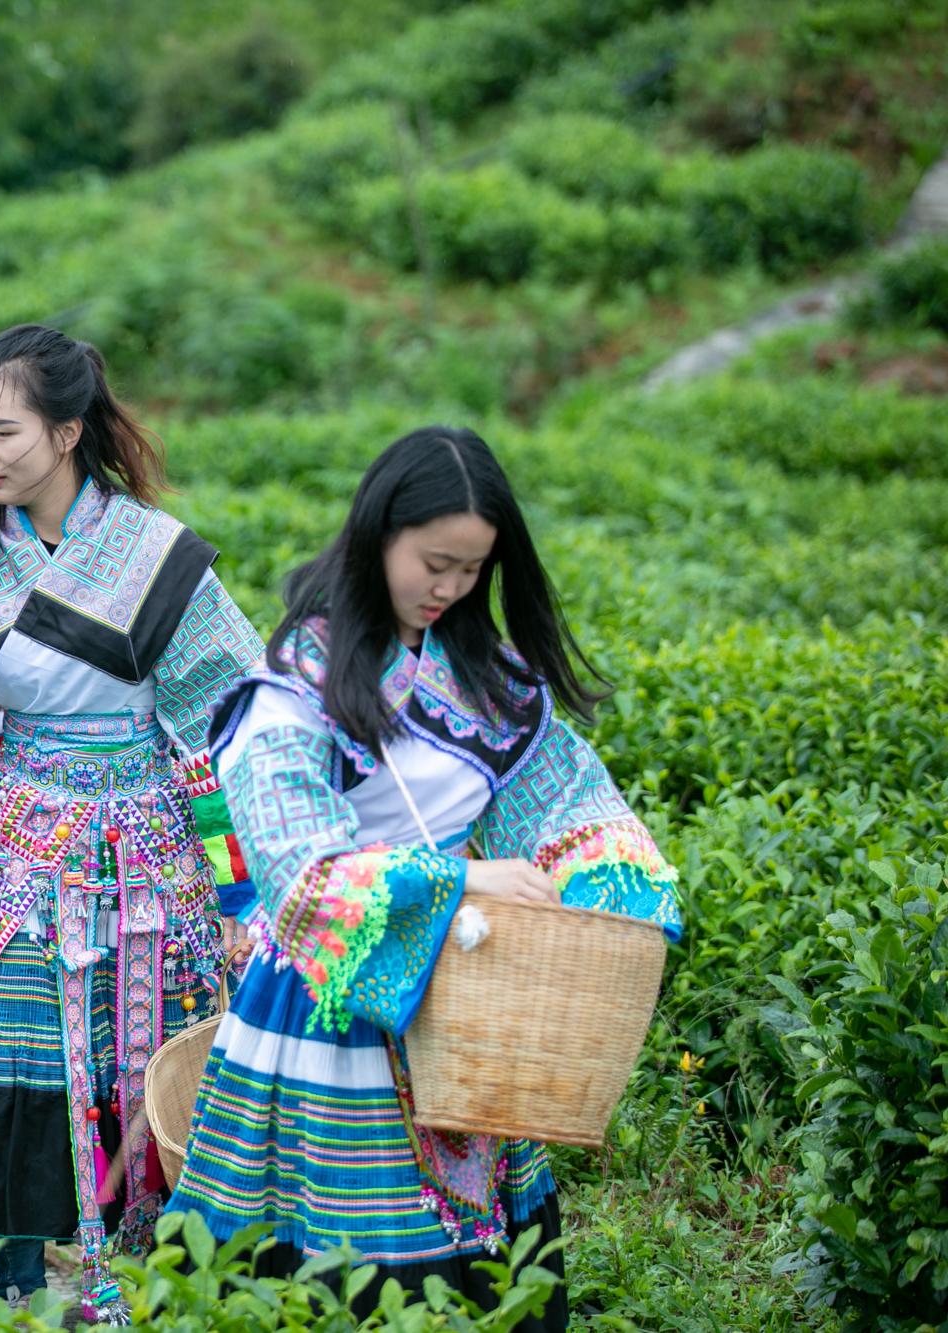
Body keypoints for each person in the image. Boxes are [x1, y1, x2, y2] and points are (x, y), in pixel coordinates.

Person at [162, 426, 683, 1328]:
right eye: (434, 561)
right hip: (328, 1002)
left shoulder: (494, 681)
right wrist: (469, 883)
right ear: (378, 535)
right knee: (342, 1270)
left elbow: (573, 809)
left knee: (487, 1272)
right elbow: (300, 876)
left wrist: (619, 901)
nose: (449, 588)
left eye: (472, 571)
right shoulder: (294, 684)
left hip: (470, 1001)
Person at [0, 325, 265, 1319]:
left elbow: (225, 719)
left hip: (142, 849)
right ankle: (16, 1274)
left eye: (2, 430)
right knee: (7, 1043)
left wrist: (242, 883)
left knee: (138, 1046)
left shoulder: (161, 561)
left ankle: (137, 1265)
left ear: (67, 430)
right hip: (10, 848)